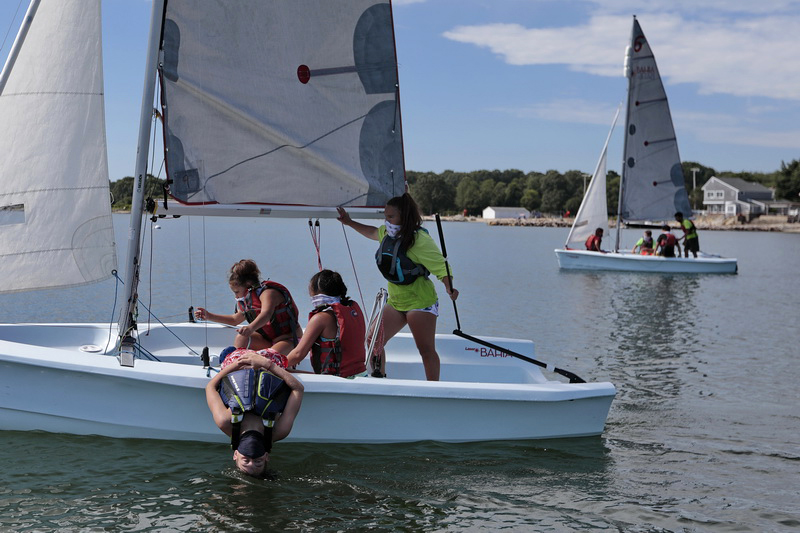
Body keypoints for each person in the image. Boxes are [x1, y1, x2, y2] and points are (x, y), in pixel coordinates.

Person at [336, 193, 458, 381]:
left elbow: (441, 267)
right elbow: (371, 232)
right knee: (373, 339)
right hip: (396, 301)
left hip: (420, 302)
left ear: (404, 216)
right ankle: (379, 378)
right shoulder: (387, 232)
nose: (387, 221)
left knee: (425, 349)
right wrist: (349, 222)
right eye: (385, 216)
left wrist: (449, 287)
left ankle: (434, 388)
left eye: (391, 217)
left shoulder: (419, 240)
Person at [205, 349, 303, 478]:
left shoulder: (225, 421)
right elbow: (298, 389)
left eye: (245, 461)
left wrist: (239, 363)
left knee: (229, 352)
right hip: (270, 364)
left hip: (237, 363)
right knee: (274, 350)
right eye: (258, 462)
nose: (252, 461)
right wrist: (267, 364)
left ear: (236, 455)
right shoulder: (279, 430)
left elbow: (210, 387)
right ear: (266, 456)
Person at [194, 259, 302, 355]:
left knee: (268, 357)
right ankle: (235, 362)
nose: (236, 296)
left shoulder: (269, 293)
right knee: (242, 337)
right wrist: (208, 316)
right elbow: (234, 320)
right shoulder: (247, 300)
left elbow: (266, 314)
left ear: (249, 284)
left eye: (237, 292)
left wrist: (251, 328)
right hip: (267, 340)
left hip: (288, 340)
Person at [285, 269, 368, 378]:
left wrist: (274, 365)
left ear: (315, 292)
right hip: (361, 375)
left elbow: (298, 354)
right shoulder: (352, 311)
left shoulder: (320, 318)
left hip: (338, 380)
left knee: (281, 372)